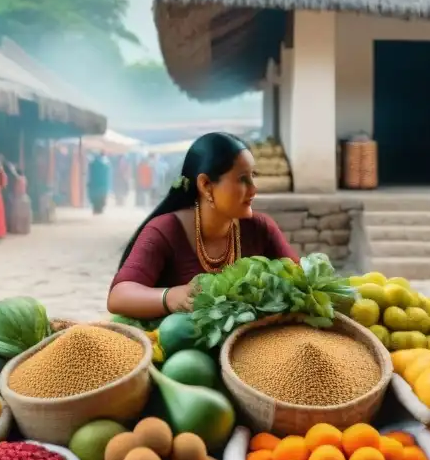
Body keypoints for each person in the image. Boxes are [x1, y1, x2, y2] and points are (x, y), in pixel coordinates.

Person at [107, 132, 299, 319]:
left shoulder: (260, 228)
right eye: (242, 178)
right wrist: (170, 297)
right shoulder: (165, 230)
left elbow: (301, 281)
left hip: (248, 345)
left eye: (253, 176)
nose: (254, 189)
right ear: (206, 185)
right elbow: (119, 296)